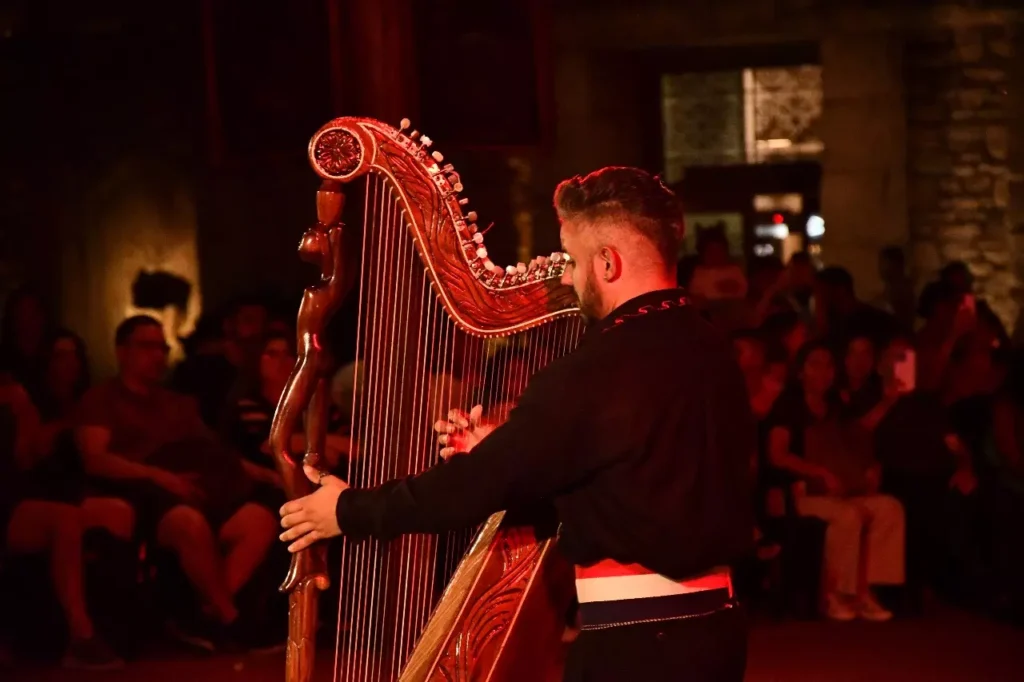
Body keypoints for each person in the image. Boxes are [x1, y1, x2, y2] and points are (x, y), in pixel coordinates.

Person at [279, 167, 754, 681]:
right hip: (718, 632)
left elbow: (469, 490)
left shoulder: (595, 368)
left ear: (607, 262)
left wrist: (347, 510)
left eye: (572, 261)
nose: (567, 278)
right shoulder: (713, 348)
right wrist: (507, 449)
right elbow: (643, 476)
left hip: (636, 646)